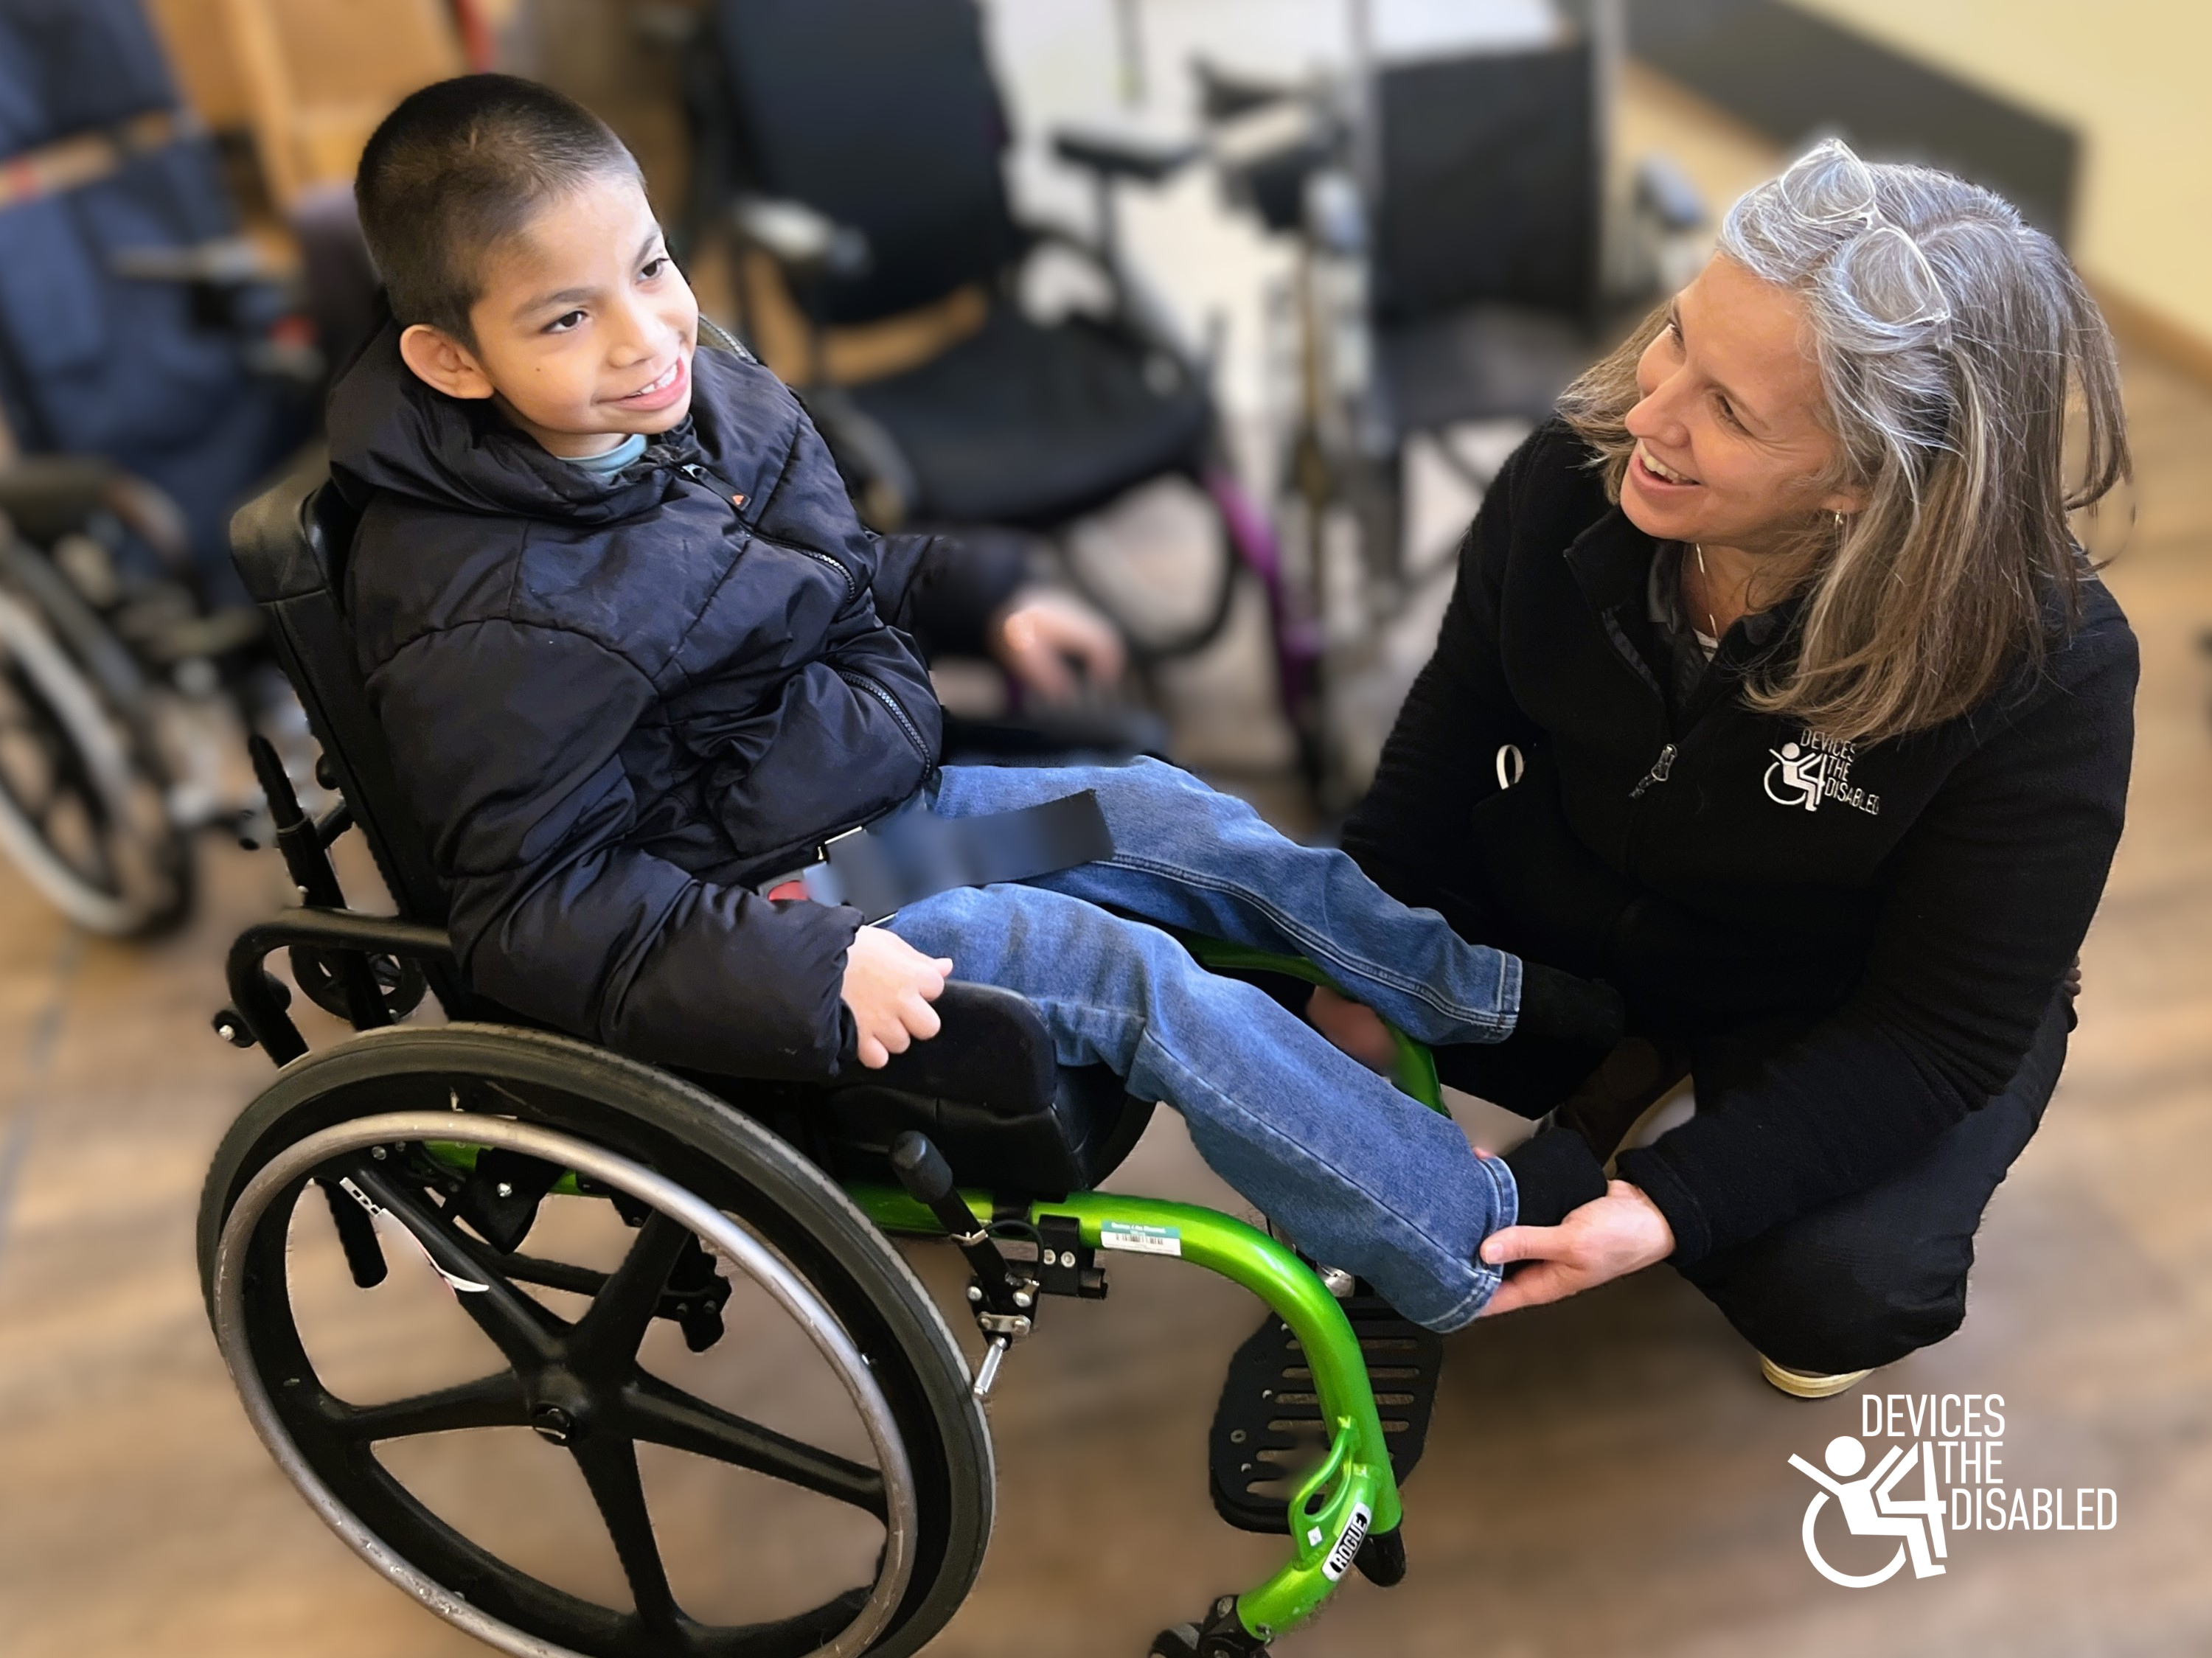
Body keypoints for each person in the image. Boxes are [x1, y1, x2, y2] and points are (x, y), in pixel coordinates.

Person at [330, 75, 1620, 1333]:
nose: (645, 335)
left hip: (883, 828)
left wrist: (984, 593)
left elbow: (815, 576)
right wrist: (813, 964)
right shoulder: (485, 614)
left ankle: (1487, 1004)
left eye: (654, 267)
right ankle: (1462, 1236)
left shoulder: (690, 407)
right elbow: (532, 907)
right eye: (566, 319)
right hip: (780, 904)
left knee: (1161, 813)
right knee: (1127, 974)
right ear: (450, 359)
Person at [1323, 139, 2136, 1392]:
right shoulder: (1570, 474)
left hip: (1834, 994)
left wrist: (1665, 1201)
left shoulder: (2048, 671)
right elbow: (1453, 723)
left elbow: (1935, 1035)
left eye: (1732, 413)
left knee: (1838, 1293)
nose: (1647, 414)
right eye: (1677, 339)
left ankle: (1662, 1099)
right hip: (1587, 899)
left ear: (1869, 486)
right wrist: (1353, 962)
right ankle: (1627, 1072)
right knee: (1274, 951)